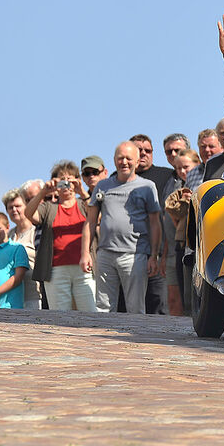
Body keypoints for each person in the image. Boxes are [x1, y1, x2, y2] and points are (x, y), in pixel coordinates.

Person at [83, 142, 162, 314]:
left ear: (137, 160)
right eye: (120, 158)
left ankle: (135, 341)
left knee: (135, 308)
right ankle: (101, 340)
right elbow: (90, 222)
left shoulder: (147, 187)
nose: (124, 162)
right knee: (103, 307)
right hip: (105, 253)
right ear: (114, 160)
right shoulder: (102, 186)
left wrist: (154, 255)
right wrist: (85, 253)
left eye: (128, 158)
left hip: (135, 254)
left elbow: (155, 223)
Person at [25, 160, 97, 312]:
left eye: (69, 180)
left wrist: (82, 192)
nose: (66, 185)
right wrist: (43, 192)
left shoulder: (83, 203)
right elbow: (29, 214)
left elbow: (97, 216)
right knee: (60, 317)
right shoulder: (49, 207)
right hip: (56, 270)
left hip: (84, 268)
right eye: (61, 181)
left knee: (91, 314)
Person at [131, 133, 173, 315]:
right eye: (138, 150)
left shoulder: (166, 175)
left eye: (147, 150)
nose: (143, 154)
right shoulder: (119, 179)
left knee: (159, 305)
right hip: (129, 254)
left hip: (158, 253)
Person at [160, 135, 190, 316]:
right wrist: (163, 255)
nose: (173, 154)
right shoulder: (170, 180)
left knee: (189, 299)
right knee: (173, 300)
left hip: (189, 248)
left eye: (177, 150)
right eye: (168, 151)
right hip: (171, 249)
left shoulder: (195, 175)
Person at [2, 189, 41, 310]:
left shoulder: (36, 231)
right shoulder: (8, 235)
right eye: (10, 207)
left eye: (18, 206)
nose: (14, 210)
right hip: (13, 297)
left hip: (35, 296)